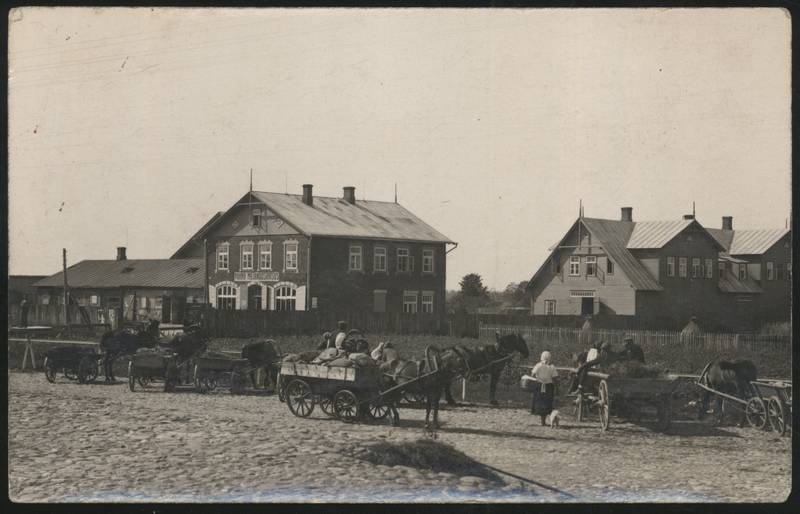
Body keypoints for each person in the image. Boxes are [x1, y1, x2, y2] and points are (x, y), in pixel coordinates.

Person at [530, 351, 559, 426]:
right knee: (546, 403)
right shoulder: (552, 367)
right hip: (549, 387)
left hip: (539, 386)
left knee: (540, 402)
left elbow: (532, 374)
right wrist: (557, 387)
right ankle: (544, 420)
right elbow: (555, 378)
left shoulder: (538, 365)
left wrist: (537, 378)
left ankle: (542, 421)